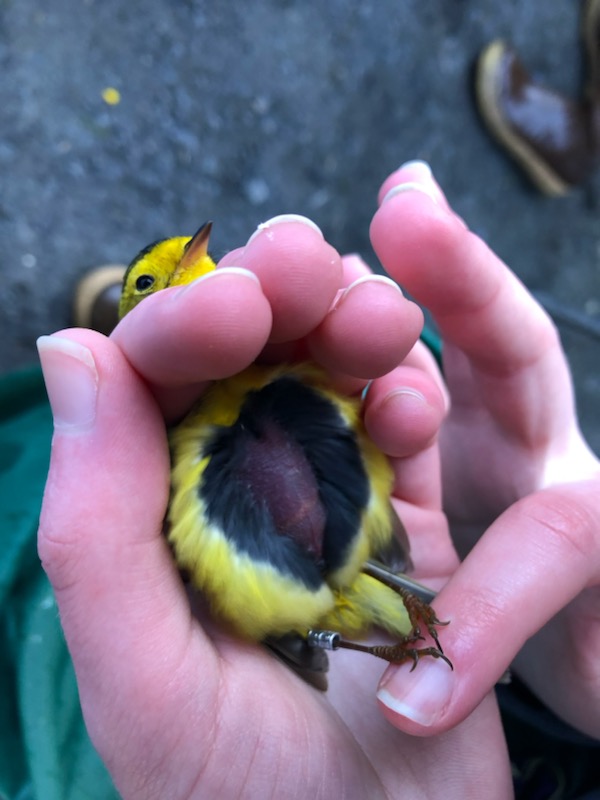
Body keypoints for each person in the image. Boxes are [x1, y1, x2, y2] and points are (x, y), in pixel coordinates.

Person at [35, 161, 600, 799]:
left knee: (67, 433)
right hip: (330, 559)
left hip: (311, 591)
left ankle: (96, 365)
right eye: (149, 281)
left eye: (183, 261)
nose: (192, 255)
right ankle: (129, 348)